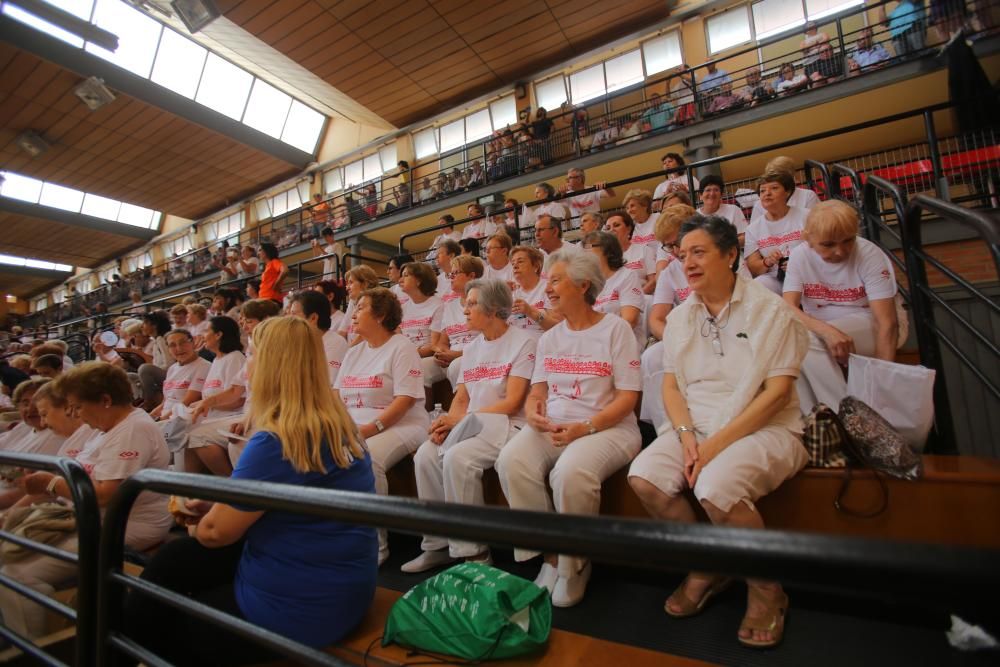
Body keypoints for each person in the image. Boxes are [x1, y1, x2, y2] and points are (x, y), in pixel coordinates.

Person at [125, 317, 376, 665]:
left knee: (173, 614)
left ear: (274, 366)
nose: (247, 366)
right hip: (345, 587)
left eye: (253, 354)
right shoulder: (339, 425)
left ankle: (120, 654)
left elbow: (214, 534)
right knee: (175, 560)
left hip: (299, 608)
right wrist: (220, 503)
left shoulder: (276, 440)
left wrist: (194, 518)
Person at [628, 215, 808, 649]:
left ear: (730, 255)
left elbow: (778, 394)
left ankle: (767, 588)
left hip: (766, 425)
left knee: (716, 487)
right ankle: (708, 565)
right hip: (697, 427)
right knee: (645, 478)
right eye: (682, 253)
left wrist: (713, 447)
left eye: (699, 252)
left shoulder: (770, 311)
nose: (686, 262)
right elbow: (670, 384)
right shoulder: (680, 317)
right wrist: (688, 436)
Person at [496, 251, 642, 608]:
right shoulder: (550, 338)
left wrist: (585, 427)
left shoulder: (616, 329)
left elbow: (628, 399)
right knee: (512, 460)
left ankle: (576, 565)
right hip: (557, 424)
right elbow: (538, 391)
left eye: (556, 281)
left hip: (609, 427)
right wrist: (532, 412)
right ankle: (550, 556)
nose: (548, 289)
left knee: (570, 473)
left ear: (583, 285)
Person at [1, 363, 171, 639]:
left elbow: (105, 494)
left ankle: (41, 647)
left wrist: (51, 482)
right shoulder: (108, 428)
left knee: (15, 575)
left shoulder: (132, 429)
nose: (76, 415)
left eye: (78, 407)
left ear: (105, 401)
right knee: (8, 556)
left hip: (128, 525)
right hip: (90, 518)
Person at [403, 279, 536, 573]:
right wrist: (447, 424)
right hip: (473, 423)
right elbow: (461, 397)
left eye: (472, 303)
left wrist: (459, 421)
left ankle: (474, 555)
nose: (464, 309)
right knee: (426, 454)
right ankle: (436, 546)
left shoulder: (524, 341)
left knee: (458, 457)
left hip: (508, 424)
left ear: (494, 309)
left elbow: (513, 402)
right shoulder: (473, 348)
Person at [334, 288, 429, 565]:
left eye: (361, 307)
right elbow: (337, 397)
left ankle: (376, 545)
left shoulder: (402, 346)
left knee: (366, 456)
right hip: (356, 425)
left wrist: (365, 430)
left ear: (381, 315)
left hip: (402, 423)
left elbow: (404, 401)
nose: (353, 314)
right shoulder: (354, 353)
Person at [783, 200, 899, 411]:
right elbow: (788, 307)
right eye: (828, 244)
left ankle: (846, 418)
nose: (840, 251)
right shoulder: (799, 255)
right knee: (787, 344)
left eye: (848, 240)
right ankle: (815, 422)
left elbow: (888, 324)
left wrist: (882, 380)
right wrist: (827, 331)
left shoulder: (869, 255)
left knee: (808, 341)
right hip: (821, 326)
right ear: (809, 239)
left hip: (866, 320)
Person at [641, 204, 697, 430]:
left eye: (677, 242)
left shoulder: (720, 258)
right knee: (652, 356)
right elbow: (656, 319)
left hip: (722, 330)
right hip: (683, 337)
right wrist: (675, 341)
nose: (674, 251)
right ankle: (666, 429)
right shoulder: (671, 272)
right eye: (669, 246)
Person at [185, 317, 246, 476]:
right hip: (214, 419)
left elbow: (238, 399)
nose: (203, 335)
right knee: (182, 437)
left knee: (196, 437)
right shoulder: (217, 360)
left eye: (206, 331)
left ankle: (228, 486)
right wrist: (199, 404)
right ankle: (189, 491)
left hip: (234, 417)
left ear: (218, 334)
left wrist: (207, 404)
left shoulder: (234, 357)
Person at [424, 255, 484, 391]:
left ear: (472, 276)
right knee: (421, 368)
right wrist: (441, 354)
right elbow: (443, 341)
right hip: (450, 356)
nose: (451, 277)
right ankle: (426, 412)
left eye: (455, 273)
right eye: (450, 274)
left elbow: (489, 340)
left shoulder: (484, 301)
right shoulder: (449, 306)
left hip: (476, 356)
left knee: (457, 365)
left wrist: (456, 355)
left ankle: (461, 410)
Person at [744, 170, 809, 294]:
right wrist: (767, 261)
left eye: (774, 188)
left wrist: (798, 263)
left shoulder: (807, 216)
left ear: (788, 192)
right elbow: (753, 268)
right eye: (762, 191)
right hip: (776, 277)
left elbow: (823, 250)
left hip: (808, 273)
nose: (767, 193)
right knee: (756, 287)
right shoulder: (753, 229)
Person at [584, 231, 645, 346]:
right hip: (594, 345)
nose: (585, 252)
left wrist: (599, 340)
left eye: (589, 247)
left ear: (607, 250)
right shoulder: (587, 284)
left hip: (622, 344)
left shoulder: (627, 276)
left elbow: (630, 320)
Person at [149, 328, 210, 421]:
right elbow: (166, 402)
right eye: (172, 345)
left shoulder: (204, 366)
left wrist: (160, 420)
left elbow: (188, 401)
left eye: (182, 343)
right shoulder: (172, 368)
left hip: (182, 419)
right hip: (164, 418)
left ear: (193, 343)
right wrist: (150, 417)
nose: (179, 348)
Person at [290, 290, 347, 387]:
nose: (289, 320)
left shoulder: (336, 343)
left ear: (313, 318)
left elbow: (326, 383)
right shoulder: (299, 342)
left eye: (294, 314)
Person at [508, 245, 562, 337]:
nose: (515, 266)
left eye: (520, 261)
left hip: (543, 344)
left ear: (536, 266)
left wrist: (531, 312)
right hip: (516, 346)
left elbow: (558, 327)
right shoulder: (511, 293)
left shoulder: (548, 288)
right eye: (513, 263)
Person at [749, 157, 820, 221]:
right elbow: (756, 230)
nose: (772, 180)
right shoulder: (759, 204)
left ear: (790, 176)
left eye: (776, 176)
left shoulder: (808, 196)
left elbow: (817, 223)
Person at [398, 262, 444, 359]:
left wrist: (407, 355)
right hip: (405, 356)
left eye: (406, 276)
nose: (400, 280)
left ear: (419, 280)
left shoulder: (438, 306)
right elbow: (398, 340)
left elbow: (433, 346)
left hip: (427, 358)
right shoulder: (402, 308)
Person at [605, 211, 656, 293]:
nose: (611, 230)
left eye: (616, 225)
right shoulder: (605, 258)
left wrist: (635, 297)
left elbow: (653, 281)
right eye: (608, 228)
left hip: (643, 298)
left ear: (628, 228)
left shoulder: (644, 250)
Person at [136, 311, 175, 412]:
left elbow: (169, 364)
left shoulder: (163, 339)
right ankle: (136, 401)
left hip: (171, 374)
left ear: (154, 325)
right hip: (162, 373)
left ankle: (149, 401)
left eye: (145, 323)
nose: (142, 326)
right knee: (131, 376)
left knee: (144, 369)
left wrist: (154, 370)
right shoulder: (156, 341)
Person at [697, 175, 748, 245]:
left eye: (716, 190)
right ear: (700, 196)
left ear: (721, 195)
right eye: (708, 190)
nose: (712, 194)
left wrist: (724, 245)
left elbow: (744, 237)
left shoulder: (734, 210)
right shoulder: (694, 216)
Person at [338, 265, 380, 343]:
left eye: (351, 282)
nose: (347, 287)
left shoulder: (377, 303)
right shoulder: (352, 302)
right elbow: (342, 332)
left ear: (365, 283)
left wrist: (348, 353)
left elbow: (363, 336)